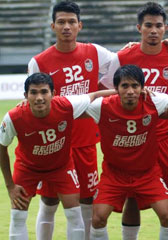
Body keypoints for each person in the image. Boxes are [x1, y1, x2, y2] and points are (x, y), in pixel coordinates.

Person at [99, 2, 168, 238]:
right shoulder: (123, 56)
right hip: (132, 138)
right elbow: (106, 90)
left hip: (164, 136)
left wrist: (162, 103)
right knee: (131, 194)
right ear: (139, 28)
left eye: (158, 26)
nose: (153, 30)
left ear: (165, 29)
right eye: (148, 25)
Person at [27, 2, 115, 239]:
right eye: (61, 22)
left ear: (80, 25)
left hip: (85, 140)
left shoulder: (96, 53)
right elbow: (34, 101)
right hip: (54, 142)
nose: (66, 27)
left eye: (71, 22)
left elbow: (123, 65)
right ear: (52, 25)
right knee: (49, 198)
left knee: (87, 198)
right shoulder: (39, 62)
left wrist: (146, 44)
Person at [0, 73, 114, 239]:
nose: (39, 98)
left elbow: (95, 95)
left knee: (74, 212)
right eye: (33, 92)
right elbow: (2, 148)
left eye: (44, 92)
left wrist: (130, 92)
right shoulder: (13, 117)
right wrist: (10, 186)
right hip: (27, 168)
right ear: (25, 96)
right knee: (18, 215)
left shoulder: (66, 105)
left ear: (53, 94)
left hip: (61, 167)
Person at [87, 65, 168, 240]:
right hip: (114, 175)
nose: (130, 91)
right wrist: (95, 95)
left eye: (135, 86)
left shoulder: (154, 101)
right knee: (98, 218)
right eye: (125, 86)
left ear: (142, 88)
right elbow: (68, 106)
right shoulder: (102, 106)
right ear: (116, 89)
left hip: (148, 174)